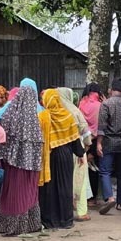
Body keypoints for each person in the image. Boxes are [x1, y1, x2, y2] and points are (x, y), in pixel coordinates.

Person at [0, 85, 44, 236]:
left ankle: (9, 224)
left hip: (14, 164)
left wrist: (7, 153)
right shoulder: (35, 117)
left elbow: (1, 136)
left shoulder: (10, 114)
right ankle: (29, 224)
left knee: (14, 191)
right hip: (32, 165)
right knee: (29, 191)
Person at [38, 89, 86, 230]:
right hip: (65, 155)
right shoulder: (67, 116)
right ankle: (66, 220)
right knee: (65, 186)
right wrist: (80, 154)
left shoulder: (42, 117)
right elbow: (75, 138)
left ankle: (49, 221)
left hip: (49, 155)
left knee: (49, 188)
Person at [96, 79, 121, 213]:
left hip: (108, 142)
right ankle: (120, 203)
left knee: (105, 171)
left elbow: (101, 126)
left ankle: (110, 198)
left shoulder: (106, 104)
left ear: (111, 89)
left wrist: (99, 143)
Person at [59, 87, 93, 222]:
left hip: (60, 149)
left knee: (64, 181)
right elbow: (86, 132)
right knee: (80, 180)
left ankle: (65, 211)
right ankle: (81, 212)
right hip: (77, 149)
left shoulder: (56, 111)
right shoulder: (75, 111)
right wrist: (85, 147)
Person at [79, 82, 104, 201]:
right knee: (95, 168)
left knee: (85, 168)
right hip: (96, 139)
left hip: (84, 139)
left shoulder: (81, 103)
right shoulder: (100, 105)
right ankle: (94, 196)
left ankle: (86, 196)